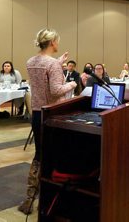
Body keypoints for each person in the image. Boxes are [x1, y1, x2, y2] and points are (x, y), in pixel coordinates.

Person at [20, 28, 76, 214]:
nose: (58, 44)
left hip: (37, 113)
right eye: (57, 41)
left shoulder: (31, 61)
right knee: (54, 156)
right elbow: (55, 90)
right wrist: (74, 83)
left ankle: (29, 198)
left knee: (39, 154)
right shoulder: (51, 64)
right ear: (52, 42)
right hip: (53, 114)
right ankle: (50, 198)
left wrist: (59, 64)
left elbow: (42, 76)